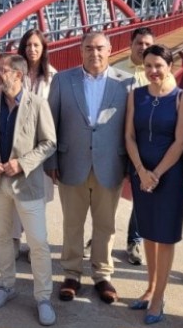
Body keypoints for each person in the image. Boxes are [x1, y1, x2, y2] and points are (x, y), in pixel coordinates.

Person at [45, 32, 130, 305]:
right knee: (73, 223)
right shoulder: (63, 80)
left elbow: (132, 127)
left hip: (110, 164)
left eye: (100, 48)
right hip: (72, 162)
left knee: (106, 224)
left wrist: (130, 163)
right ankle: (71, 273)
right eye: (89, 48)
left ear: (110, 49)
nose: (95, 53)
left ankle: (102, 275)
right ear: (81, 50)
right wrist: (51, 160)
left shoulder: (127, 82)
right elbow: (50, 123)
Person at [0, 53, 58, 326]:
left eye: (2, 70)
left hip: (27, 184)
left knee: (38, 242)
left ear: (18, 75)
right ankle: (6, 285)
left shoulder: (37, 104)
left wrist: (22, 164)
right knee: (2, 238)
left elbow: (49, 143)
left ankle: (43, 297)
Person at [124, 44, 183, 325]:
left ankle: (159, 296)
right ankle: (150, 287)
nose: (153, 71)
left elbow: (181, 141)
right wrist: (141, 171)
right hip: (142, 174)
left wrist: (156, 174)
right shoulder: (135, 96)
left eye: (159, 66)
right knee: (149, 234)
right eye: (148, 66)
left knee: (164, 237)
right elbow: (129, 135)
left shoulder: (181, 98)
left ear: (170, 67)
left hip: (169, 177)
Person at [123, 27, 175, 267]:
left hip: (148, 150)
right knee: (108, 195)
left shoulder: (164, 76)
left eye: (147, 44)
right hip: (119, 142)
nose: (143, 48)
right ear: (131, 44)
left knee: (141, 197)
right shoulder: (116, 70)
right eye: (139, 43)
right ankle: (100, 237)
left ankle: (134, 240)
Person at [11, 28, 57, 260]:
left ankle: (33, 244)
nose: (32, 49)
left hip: (40, 146)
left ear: (44, 48)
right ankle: (13, 240)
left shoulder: (53, 76)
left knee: (37, 198)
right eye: (28, 45)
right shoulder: (14, 72)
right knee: (14, 194)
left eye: (36, 45)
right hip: (16, 143)